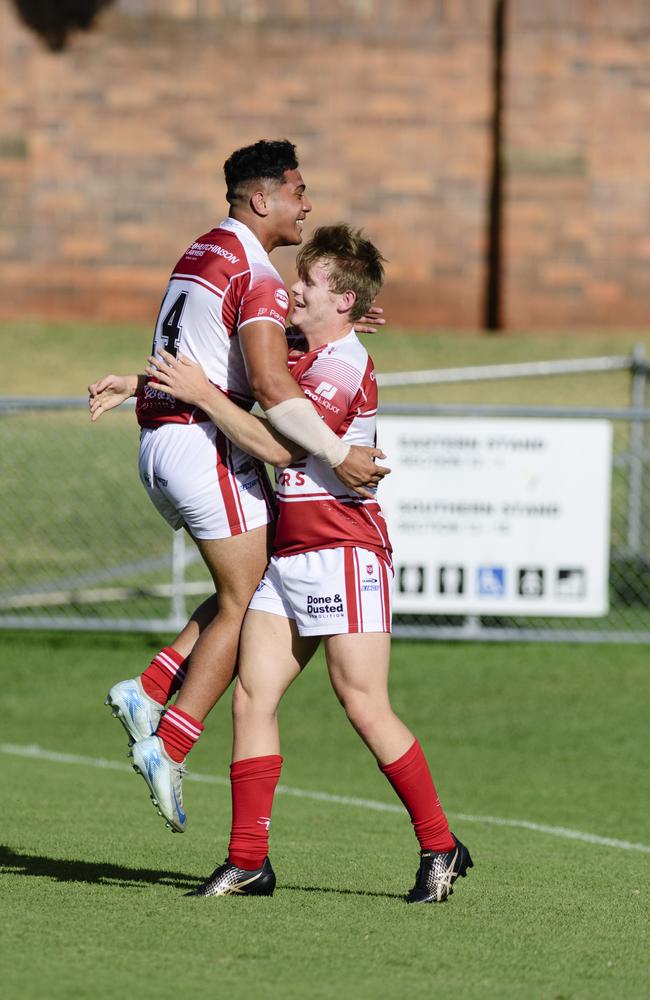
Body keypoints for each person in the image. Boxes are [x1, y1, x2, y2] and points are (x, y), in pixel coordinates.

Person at [143, 224, 473, 904]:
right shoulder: (306, 349)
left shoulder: (340, 367)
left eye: (310, 283)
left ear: (344, 301)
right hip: (290, 557)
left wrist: (202, 397)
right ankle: (248, 861)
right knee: (252, 698)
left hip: (345, 551)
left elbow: (280, 445)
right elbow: (249, 369)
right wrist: (141, 381)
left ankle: (441, 846)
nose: (292, 288)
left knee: (363, 705)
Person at [88, 140, 388, 834]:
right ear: (264, 199)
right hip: (197, 443)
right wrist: (339, 451)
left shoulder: (201, 251)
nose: (306, 203)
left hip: (161, 437)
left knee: (244, 587)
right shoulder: (258, 272)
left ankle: (154, 686)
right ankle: (167, 735)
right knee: (251, 595)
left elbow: (213, 349)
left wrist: (317, 327)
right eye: (297, 190)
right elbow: (271, 384)